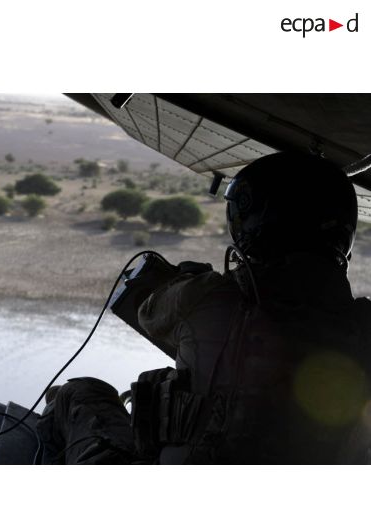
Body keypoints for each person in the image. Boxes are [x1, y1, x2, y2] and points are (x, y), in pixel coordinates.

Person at [37, 151, 371, 464]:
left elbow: (149, 314)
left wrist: (190, 279)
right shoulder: (364, 330)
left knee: (77, 393)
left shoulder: (208, 294)